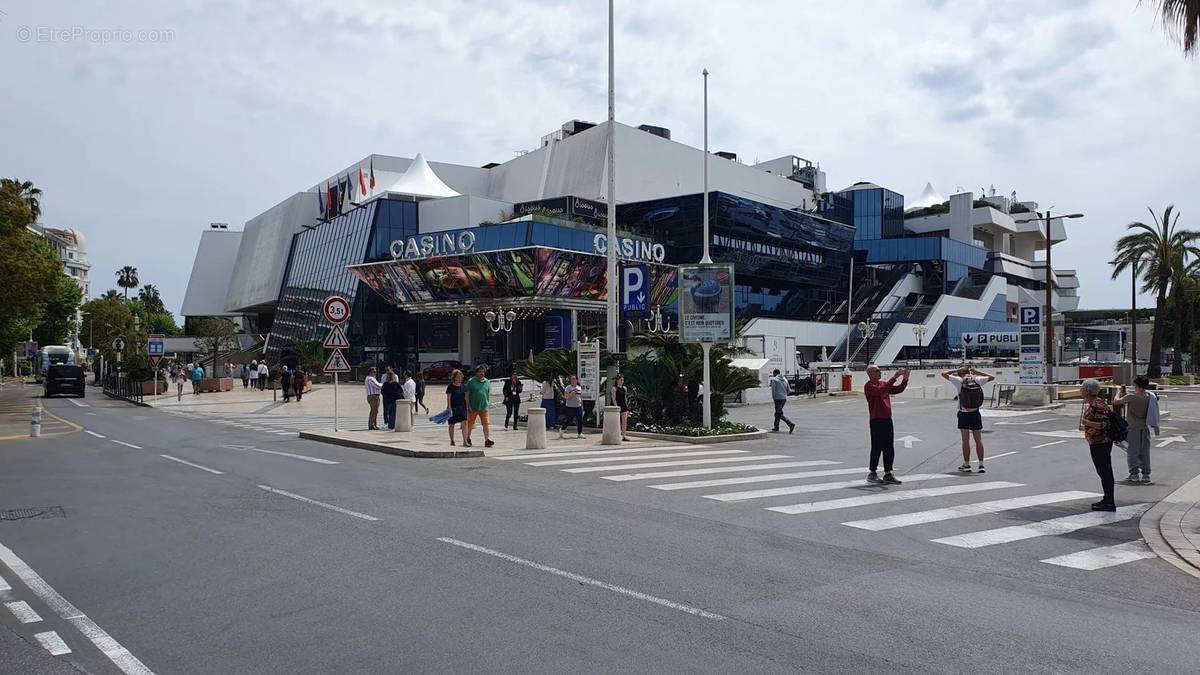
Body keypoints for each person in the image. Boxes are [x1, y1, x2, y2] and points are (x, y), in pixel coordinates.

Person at [941, 366, 995, 473]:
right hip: (975, 413)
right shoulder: (978, 380)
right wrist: (977, 372)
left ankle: (967, 464)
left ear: (960, 373)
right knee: (978, 440)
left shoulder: (959, 380)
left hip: (964, 413)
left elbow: (944, 374)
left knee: (965, 440)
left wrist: (956, 370)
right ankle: (981, 465)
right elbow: (992, 377)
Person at [863, 366, 909, 484]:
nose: (880, 372)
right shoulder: (869, 386)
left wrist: (905, 379)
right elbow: (881, 391)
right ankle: (872, 472)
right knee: (877, 446)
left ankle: (888, 472)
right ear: (870, 374)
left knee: (889, 447)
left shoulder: (883, 383)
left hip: (887, 419)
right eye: (877, 371)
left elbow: (897, 389)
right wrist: (895, 377)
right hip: (876, 419)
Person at [1113, 375, 1160, 484]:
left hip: (1133, 428)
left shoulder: (1131, 397)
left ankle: (1134, 474)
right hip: (1144, 427)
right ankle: (1146, 474)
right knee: (1144, 451)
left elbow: (1116, 402)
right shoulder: (1150, 397)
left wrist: (1118, 392)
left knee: (1132, 452)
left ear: (1137, 385)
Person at [1078, 378, 1116, 511]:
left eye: (1082, 388)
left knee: (1105, 471)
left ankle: (1109, 501)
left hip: (1101, 443)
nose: (1080, 391)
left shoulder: (1097, 405)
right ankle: (1107, 499)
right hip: (1096, 442)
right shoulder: (1094, 403)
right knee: (1102, 471)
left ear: (1088, 391)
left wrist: (1088, 423)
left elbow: (1105, 425)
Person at [465, 365, 494, 448]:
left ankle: (487, 440)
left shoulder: (487, 382)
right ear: (476, 373)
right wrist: (468, 406)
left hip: (484, 407)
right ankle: (468, 438)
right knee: (470, 424)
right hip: (473, 407)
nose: (482, 373)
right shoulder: (471, 382)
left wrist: (488, 403)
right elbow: (467, 394)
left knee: (486, 424)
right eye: (480, 372)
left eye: (483, 372)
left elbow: (487, 393)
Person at [444, 369, 468, 446]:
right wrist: (449, 408)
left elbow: (466, 398)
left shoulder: (464, 386)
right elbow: (448, 398)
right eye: (457, 376)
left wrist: (468, 407)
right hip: (453, 408)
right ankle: (452, 440)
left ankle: (465, 441)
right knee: (451, 424)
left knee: (464, 423)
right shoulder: (450, 387)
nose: (459, 378)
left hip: (462, 407)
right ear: (454, 377)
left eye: (460, 376)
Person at [769, 369, 795, 434]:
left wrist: (774, 398)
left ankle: (790, 424)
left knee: (779, 413)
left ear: (775, 373)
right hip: (784, 398)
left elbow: (773, 391)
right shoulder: (785, 379)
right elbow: (788, 390)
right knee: (777, 413)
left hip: (777, 399)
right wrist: (784, 394)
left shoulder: (774, 380)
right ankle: (776, 427)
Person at [560, 374, 585, 439]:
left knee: (580, 420)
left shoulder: (579, 388)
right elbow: (566, 397)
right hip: (570, 407)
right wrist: (571, 394)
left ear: (577, 380)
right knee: (569, 420)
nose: (572, 380)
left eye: (574, 379)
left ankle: (580, 433)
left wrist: (582, 406)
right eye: (571, 379)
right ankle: (562, 429)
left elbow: (581, 398)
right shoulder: (568, 388)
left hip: (578, 406)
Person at [611, 373, 630, 442]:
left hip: (624, 406)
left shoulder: (624, 388)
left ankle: (624, 435)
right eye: (620, 380)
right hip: (617, 406)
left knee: (624, 421)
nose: (622, 381)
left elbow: (625, 398)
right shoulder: (614, 388)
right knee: (617, 422)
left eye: (623, 380)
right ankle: (617, 435)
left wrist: (626, 405)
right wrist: (616, 407)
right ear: (617, 380)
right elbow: (613, 398)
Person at [381, 366, 399, 430]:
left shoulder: (394, 379)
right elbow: (399, 391)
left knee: (391, 412)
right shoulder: (384, 377)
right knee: (388, 411)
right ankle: (388, 423)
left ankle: (391, 424)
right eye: (386, 370)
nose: (387, 371)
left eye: (388, 370)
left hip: (389, 398)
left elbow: (382, 390)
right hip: (390, 399)